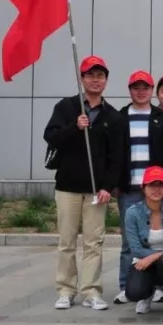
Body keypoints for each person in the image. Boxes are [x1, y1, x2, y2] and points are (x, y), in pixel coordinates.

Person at [44, 55, 123, 311]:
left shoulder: (112, 116)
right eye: (90, 75)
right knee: (67, 242)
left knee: (93, 242)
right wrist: (75, 127)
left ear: (106, 81)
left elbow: (116, 157)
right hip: (67, 187)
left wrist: (107, 187)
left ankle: (91, 291)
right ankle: (66, 290)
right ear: (82, 78)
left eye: (100, 76)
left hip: (96, 191)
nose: (95, 80)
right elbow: (51, 137)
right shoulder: (66, 107)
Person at [114, 70, 163, 306]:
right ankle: (125, 285)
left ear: (151, 90)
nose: (141, 92)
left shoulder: (162, 118)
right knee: (129, 240)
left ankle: (157, 286)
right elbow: (114, 154)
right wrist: (115, 183)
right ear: (130, 91)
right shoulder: (119, 118)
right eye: (136, 88)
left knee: (156, 239)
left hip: (156, 187)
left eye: (145, 87)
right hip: (129, 188)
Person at [123, 166, 163, 314]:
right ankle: (147, 294)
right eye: (152, 185)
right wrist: (151, 258)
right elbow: (136, 249)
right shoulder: (132, 212)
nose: (156, 189)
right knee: (133, 292)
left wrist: (156, 256)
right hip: (143, 262)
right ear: (143, 187)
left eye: (160, 185)